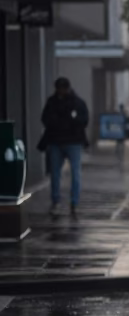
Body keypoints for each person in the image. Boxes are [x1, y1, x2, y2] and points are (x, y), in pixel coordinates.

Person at [39, 77, 91, 218]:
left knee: (71, 173)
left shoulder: (75, 103)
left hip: (68, 142)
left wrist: (67, 122)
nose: (61, 91)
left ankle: (71, 203)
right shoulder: (56, 102)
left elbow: (84, 120)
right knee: (58, 174)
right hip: (61, 142)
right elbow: (45, 119)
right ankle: (60, 202)